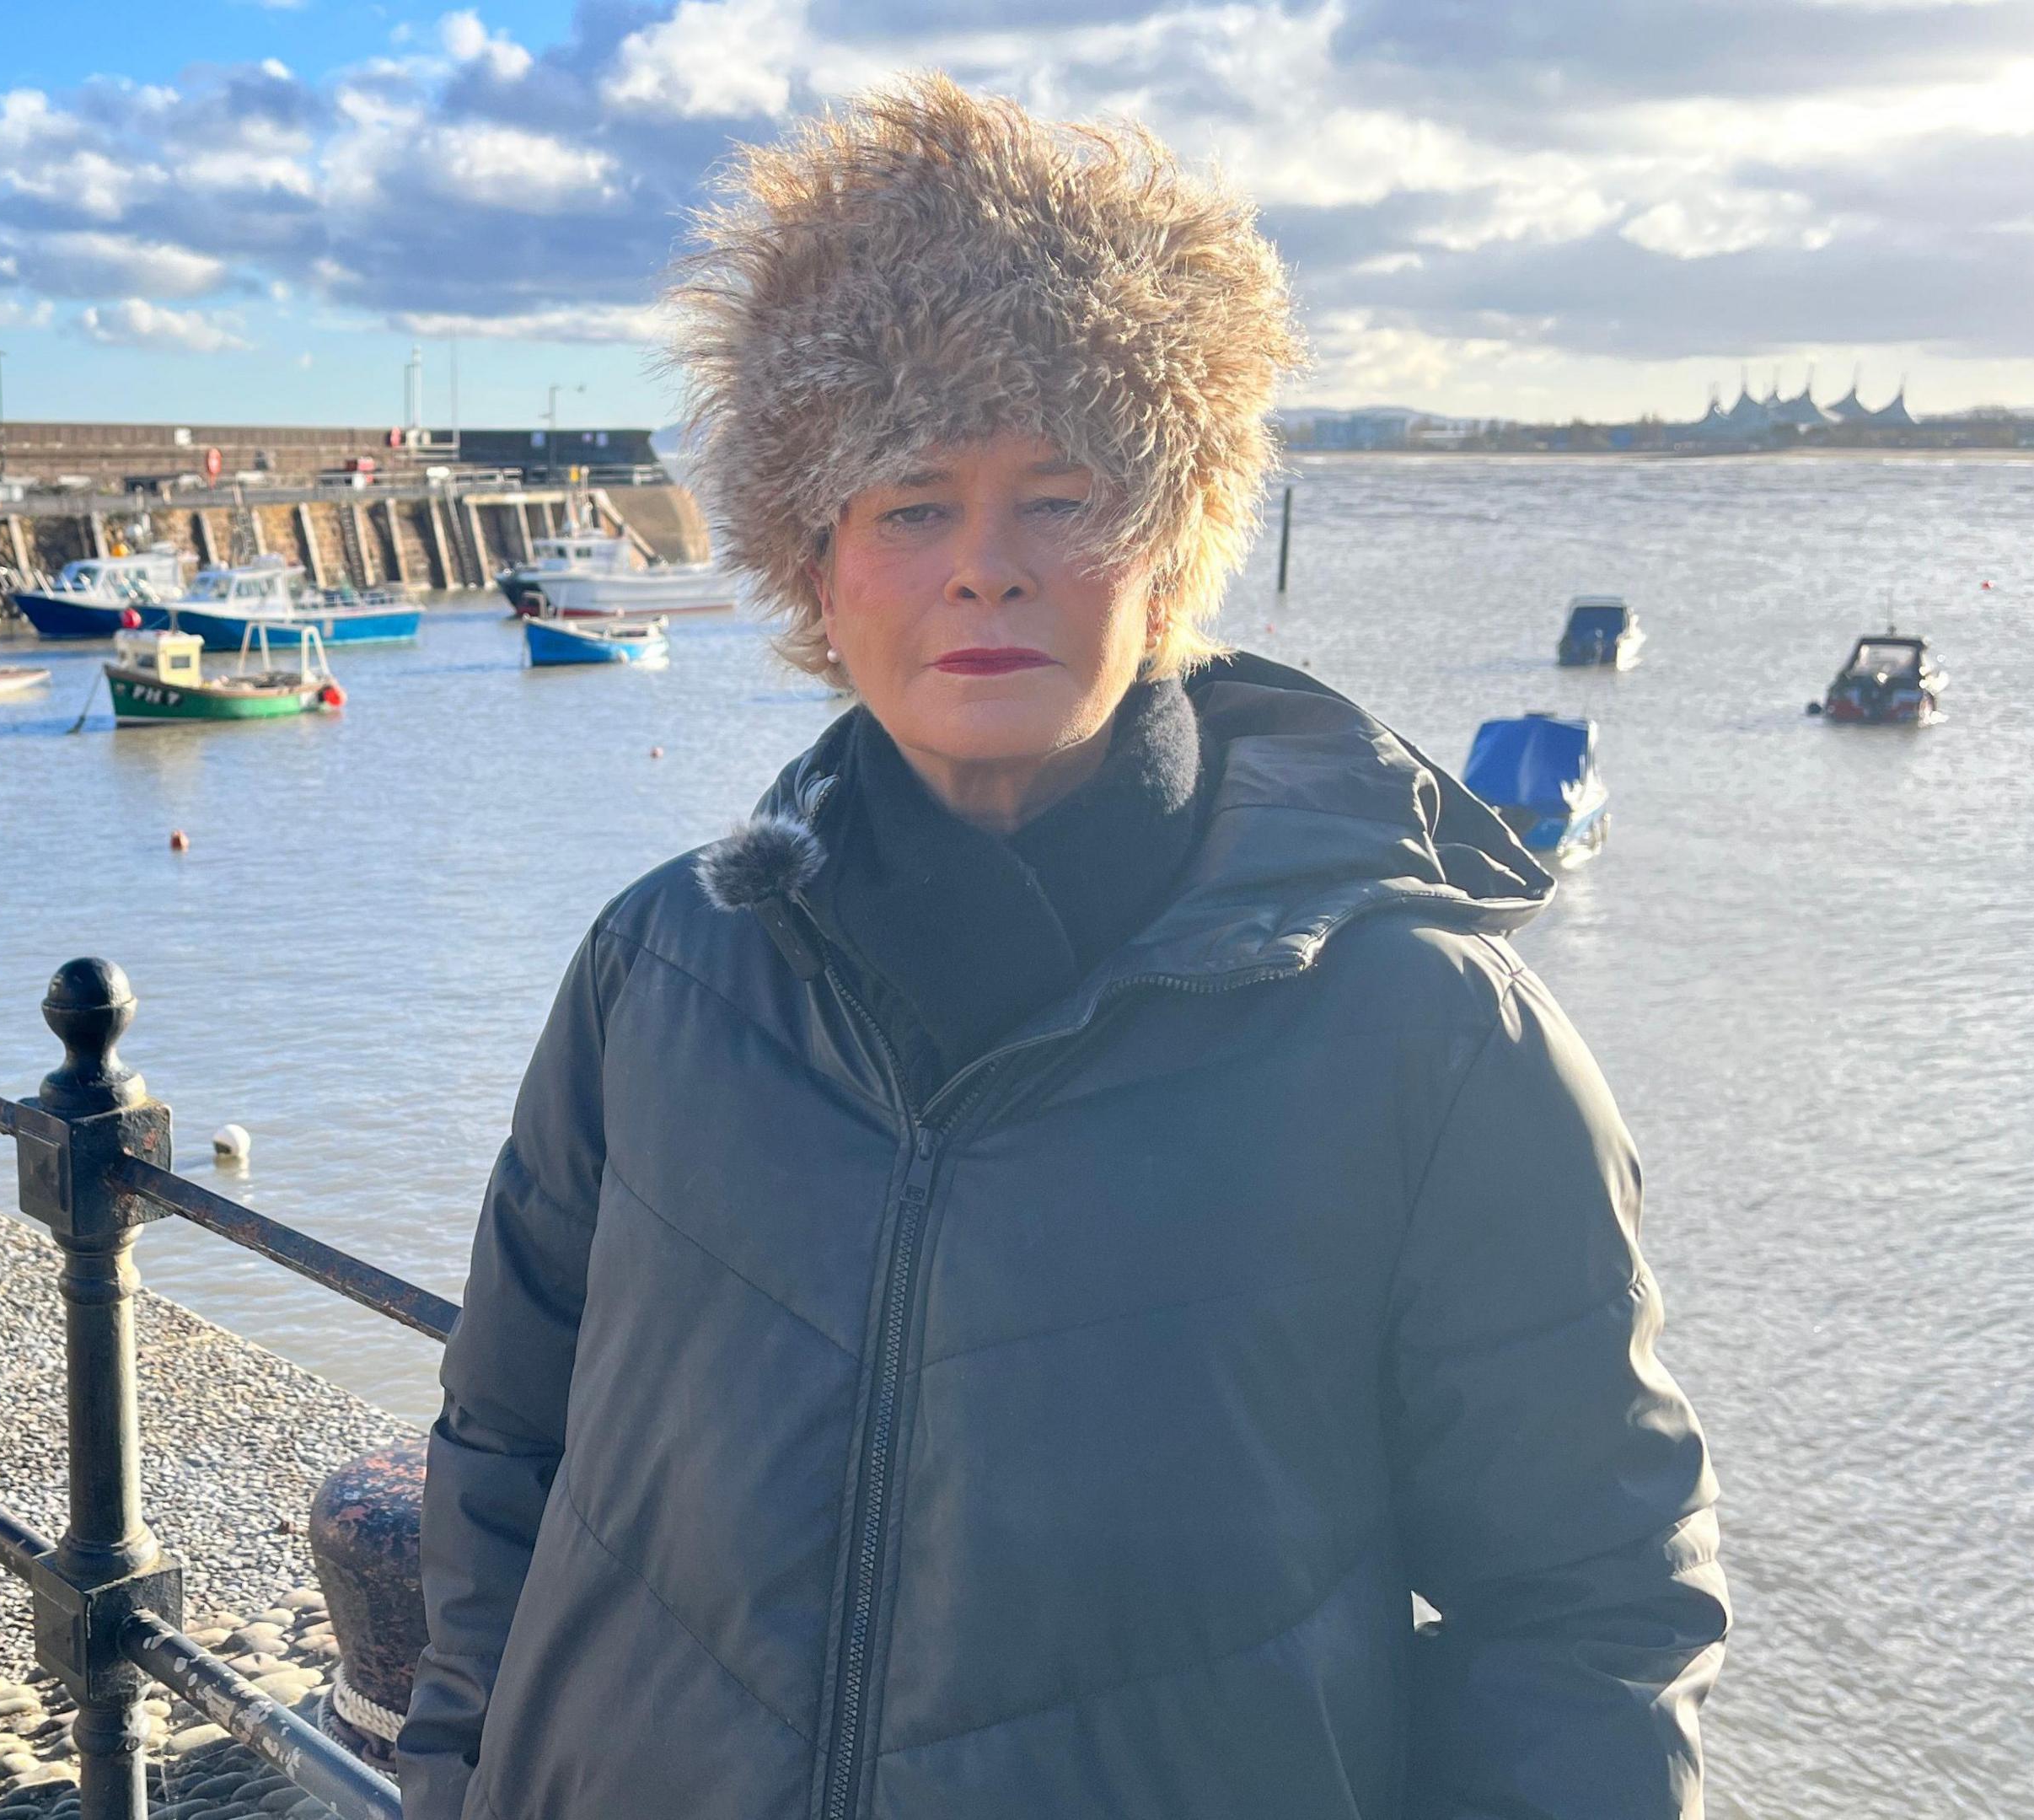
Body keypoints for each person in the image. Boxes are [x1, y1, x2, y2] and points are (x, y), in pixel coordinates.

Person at [398, 76, 1726, 1820]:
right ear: (815, 560)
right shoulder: (662, 972)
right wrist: (454, 1781)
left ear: (1172, 538)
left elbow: (1585, 1608)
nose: (985, 572)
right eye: (910, 502)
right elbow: (506, 1453)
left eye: (1061, 494)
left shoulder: (1427, 1037)